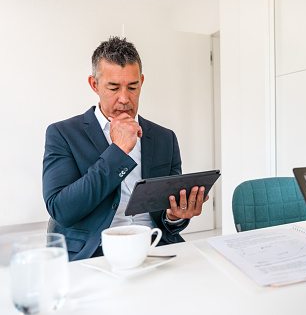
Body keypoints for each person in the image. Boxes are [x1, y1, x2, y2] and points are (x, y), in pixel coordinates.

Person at [43, 37, 208, 261]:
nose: (124, 99)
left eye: (132, 87)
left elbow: (168, 218)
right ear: (94, 85)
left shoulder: (165, 138)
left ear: (141, 82)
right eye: (113, 87)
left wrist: (175, 217)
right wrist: (118, 153)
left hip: (157, 246)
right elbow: (61, 210)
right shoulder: (63, 134)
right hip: (94, 253)